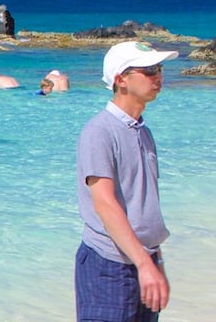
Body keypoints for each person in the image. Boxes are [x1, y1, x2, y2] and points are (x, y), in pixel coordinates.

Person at [75, 41, 179, 321]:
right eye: (148, 71)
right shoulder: (100, 131)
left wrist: (155, 262)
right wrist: (146, 264)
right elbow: (105, 204)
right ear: (121, 79)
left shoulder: (142, 131)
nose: (158, 77)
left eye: (159, 69)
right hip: (108, 266)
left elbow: (143, 205)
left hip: (141, 260)